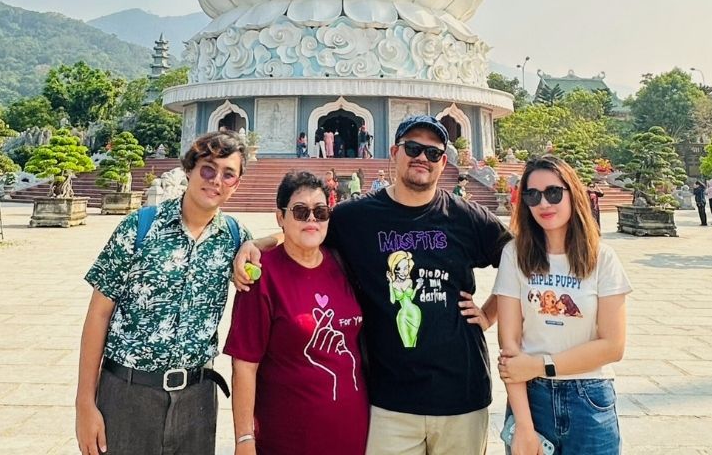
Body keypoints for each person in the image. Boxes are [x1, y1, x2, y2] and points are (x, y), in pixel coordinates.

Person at [234, 116, 509, 455]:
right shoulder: (357, 217)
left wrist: (490, 313)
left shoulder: (467, 216)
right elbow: (310, 228)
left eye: (433, 153)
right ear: (394, 152)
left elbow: (520, 257)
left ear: (442, 162)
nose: (422, 157)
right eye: (413, 148)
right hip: (388, 401)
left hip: (461, 394)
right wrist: (261, 242)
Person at [75, 131, 251, 455]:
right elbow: (99, 313)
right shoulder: (139, 226)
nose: (216, 181)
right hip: (128, 393)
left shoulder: (234, 237)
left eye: (228, 174)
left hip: (197, 400)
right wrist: (84, 403)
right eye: (208, 169)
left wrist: (254, 245)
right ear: (189, 170)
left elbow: (288, 240)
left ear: (236, 184)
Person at [224, 170, 368, 455]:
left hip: (354, 432)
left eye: (320, 211)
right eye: (300, 212)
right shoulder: (263, 275)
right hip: (287, 437)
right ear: (281, 217)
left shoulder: (344, 262)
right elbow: (244, 365)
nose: (312, 220)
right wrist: (244, 438)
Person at [494, 156, 630, 455]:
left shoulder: (601, 258)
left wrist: (541, 364)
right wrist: (525, 429)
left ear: (573, 194)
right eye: (533, 195)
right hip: (532, 397)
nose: (544, 203)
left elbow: (612, 346)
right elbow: (510, 347)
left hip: (590, 399)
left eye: (554, 192)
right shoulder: (515, 255)